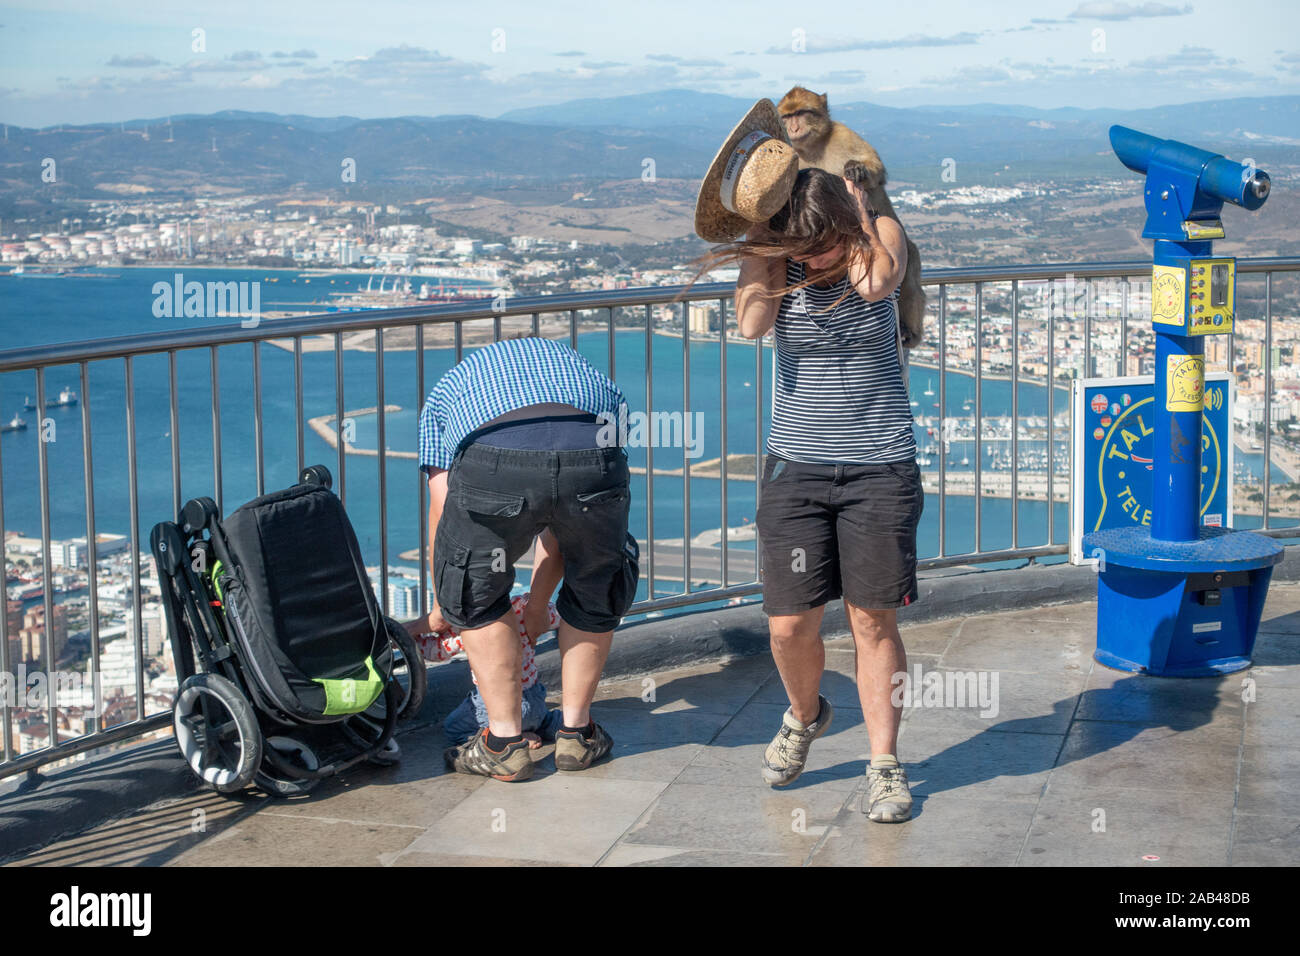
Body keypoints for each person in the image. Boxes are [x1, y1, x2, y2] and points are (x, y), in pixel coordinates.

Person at [694, 107, 922, 821]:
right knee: (790, 625)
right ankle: (805, 713)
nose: (813, 260)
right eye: (802, 248)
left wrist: (855, 213)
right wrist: (769, 249)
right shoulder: (779, 264)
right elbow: (752, 323)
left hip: (878, 468)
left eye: (819, 247)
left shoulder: (877, 240)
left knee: (871, 620)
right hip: (796, 469)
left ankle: (884, 763)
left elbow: (875, 284)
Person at [410, 336, 640, 782]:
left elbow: (443, 511)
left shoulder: (447, 392)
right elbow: (562, 530)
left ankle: (503, 743)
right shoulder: (589, 378)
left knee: (474, 594)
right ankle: (577, 734)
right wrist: (537, 603)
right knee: (597, 585)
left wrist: (445, 603)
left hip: (494, 459)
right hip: (593, 452)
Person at [412, 531, 566, 748]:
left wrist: (411, 636)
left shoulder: (471, 626)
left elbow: (435, 652)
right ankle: (561, 725)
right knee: (543, 717)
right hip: (534, 699)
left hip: (493, 704)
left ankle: (511, 738)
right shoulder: (522, 608)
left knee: (454, 728)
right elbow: (557, 617)